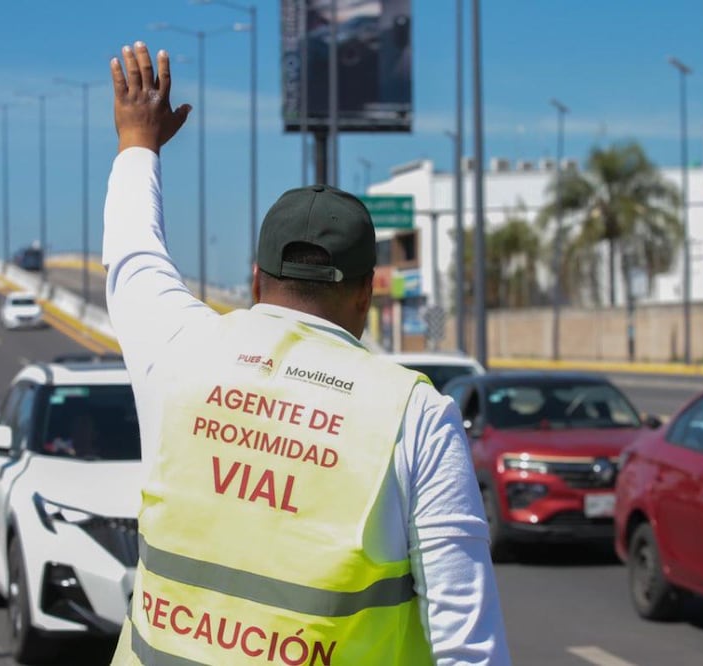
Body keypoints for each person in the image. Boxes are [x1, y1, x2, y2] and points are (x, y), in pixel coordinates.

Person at [105, 41, 509, 665]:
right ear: (366, 294)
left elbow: (134, 257)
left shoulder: (181, 350)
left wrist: (138, 140)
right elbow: (467, 644)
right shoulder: (414, 416)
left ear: (257, 280)